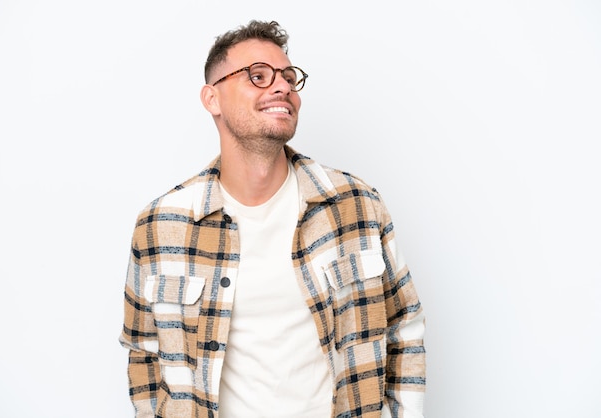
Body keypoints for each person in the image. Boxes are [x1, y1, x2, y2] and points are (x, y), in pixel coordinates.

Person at [119, 20, 426, 418]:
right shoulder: (162, 225)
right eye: (258, 76)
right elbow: (143, 353)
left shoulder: (356, 205)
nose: (282, 87)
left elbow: (405, 327)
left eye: (288, 77)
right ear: (212, 98)